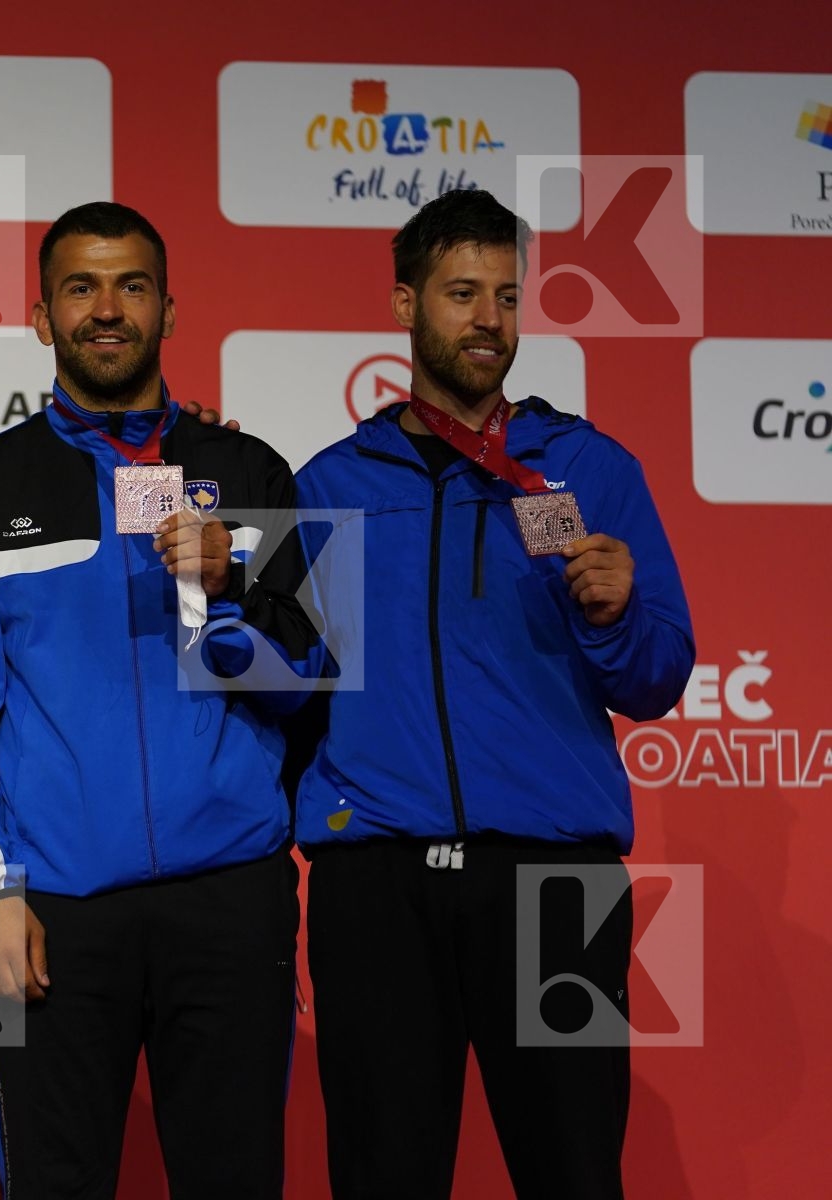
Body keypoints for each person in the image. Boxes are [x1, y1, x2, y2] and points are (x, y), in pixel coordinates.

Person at [0, 201, 323, 1198]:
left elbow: (310, 685)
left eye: (132, 286)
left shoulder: (252, 470)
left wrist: (229, 597)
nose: (108, 309)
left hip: (230, 898)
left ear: (170, 311)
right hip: (51, 912)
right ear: (41, 315)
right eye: (81, 288)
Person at [291, 188, 695, 1200]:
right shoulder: (333, 482)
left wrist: (615, 616)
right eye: (463, 293)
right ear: (404, 305)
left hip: (557, 884)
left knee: (573, 1173)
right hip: (377, 885)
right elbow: (279, 679)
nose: (489, 320)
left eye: (508, 298)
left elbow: (657, 676)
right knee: (385, 1174)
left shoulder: (589, 469)